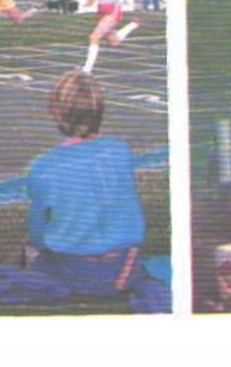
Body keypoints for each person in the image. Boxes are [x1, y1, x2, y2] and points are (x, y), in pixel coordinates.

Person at [24, 71, 147, 298]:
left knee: (31, 253)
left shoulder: (44, 167)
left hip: (75, 270)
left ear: (56, 113)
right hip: (125, 265)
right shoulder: (120, 151)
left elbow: (38, 235)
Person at [82, 0, 142, 74]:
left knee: (94, 37)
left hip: (113, 10)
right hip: (101, 10)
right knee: (113, 42)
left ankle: (87, 69)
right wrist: (88, 2)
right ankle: (133, 25)